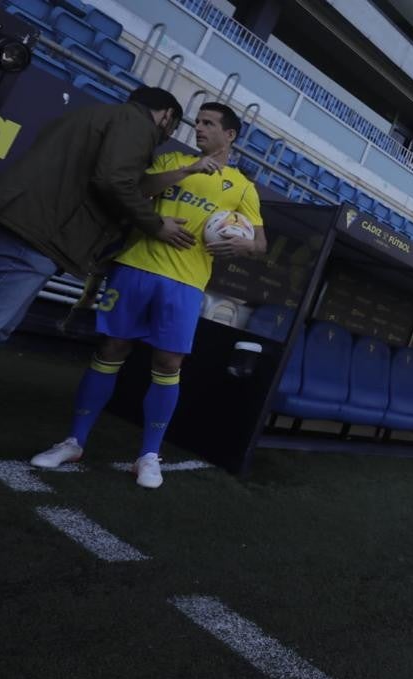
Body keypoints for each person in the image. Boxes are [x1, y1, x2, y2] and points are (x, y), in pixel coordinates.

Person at [30, 103, 267, 489]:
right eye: (198, 122)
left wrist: (242, 248)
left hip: (186, 283)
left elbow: (259, 244)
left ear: (231, 135)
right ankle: (74, 441)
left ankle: (149, 455)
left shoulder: (242, 187)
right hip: (135, 268)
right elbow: (136, 190)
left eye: (209, 124)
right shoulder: (173, 158)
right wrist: (187, 170)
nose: (199, 128)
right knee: (111, 349)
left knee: (169, 361)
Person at [0, 86, 190, 361]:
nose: (170, 134)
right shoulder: (136, 124)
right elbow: (114, 180)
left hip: (22, 228)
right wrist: (156, 224)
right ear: (167, 115)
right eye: (174, 126)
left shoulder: (95, 114)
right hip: (31, 237)